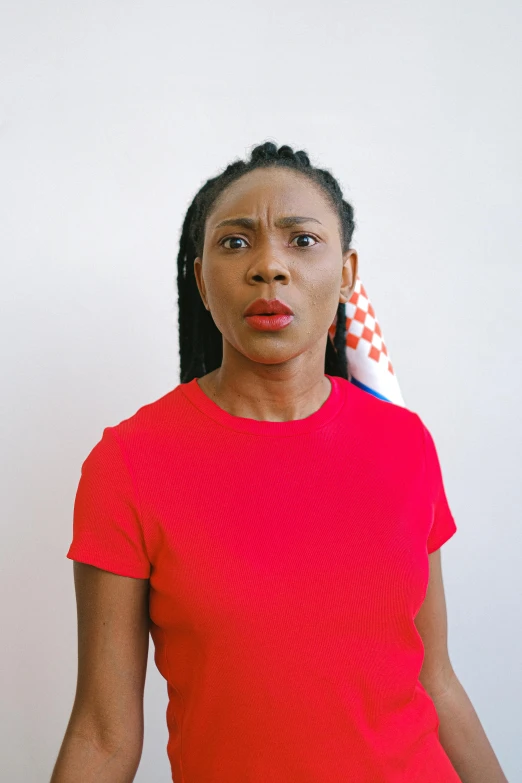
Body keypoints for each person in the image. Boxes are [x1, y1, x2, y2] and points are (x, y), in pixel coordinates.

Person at [53, 142, 464, 782]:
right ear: (200, 279)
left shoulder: (405, 442)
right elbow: (104, 736)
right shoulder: (129, 463)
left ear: (348, 272)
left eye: (301, 241)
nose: (269, 266)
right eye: (236, 243)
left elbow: (435, 680)